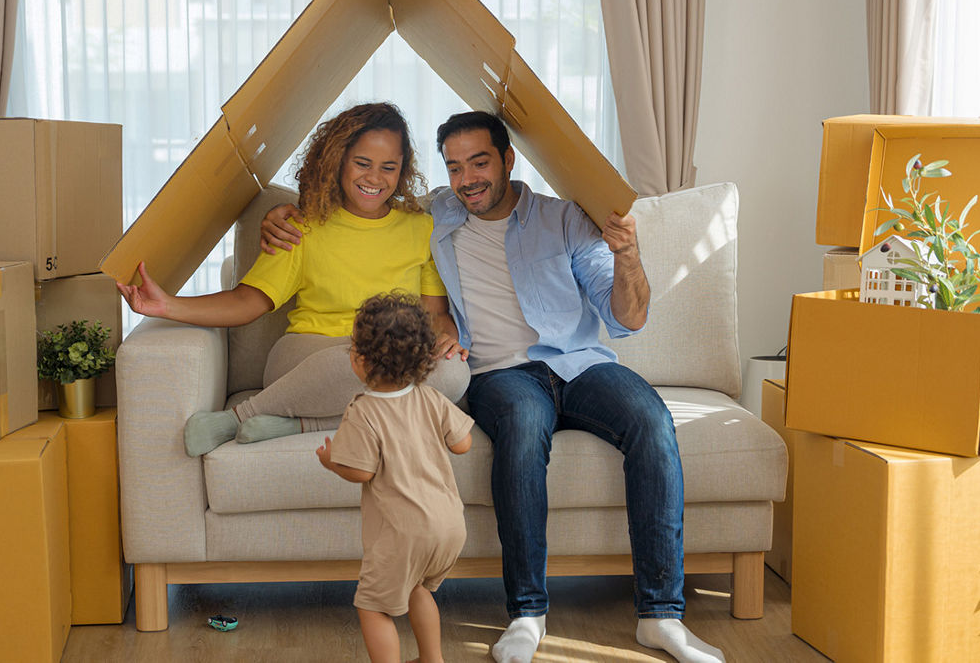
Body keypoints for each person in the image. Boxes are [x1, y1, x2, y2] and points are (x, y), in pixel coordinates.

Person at [261, 111, 724, 663]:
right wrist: (280, 211)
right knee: (524, 431)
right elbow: (365, 196)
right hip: (498, 373)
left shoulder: (565, 219)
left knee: (651, 419)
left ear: (507, 159)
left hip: (581, 365)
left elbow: (629, 317)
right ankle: (527, 614)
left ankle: (661, 616)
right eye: (455, 167)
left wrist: (627, 254)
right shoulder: (436, 214)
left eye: (479, 162)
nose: (467, 179)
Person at [118, 102, 470, 455]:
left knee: (455, 375)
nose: (374, 178)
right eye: (363, 164)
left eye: (388, 167)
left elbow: (435, 313)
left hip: (385, 360)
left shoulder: (421, 227)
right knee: (361, 362)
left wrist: (447, 341)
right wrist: (167, 305)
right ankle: (241, 417)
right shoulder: (299, 227)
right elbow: (247, 301)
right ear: (338, 161)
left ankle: (300, 424)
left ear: (402, 171)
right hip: (307, 360)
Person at [316, 292, 474, 663]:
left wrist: (331, 461)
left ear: (361, 360)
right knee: (417, 588)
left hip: (403, 533)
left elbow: (361, 471)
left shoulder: (363, 410)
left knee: (373, 607)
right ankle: (431, 659)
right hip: (449, 526)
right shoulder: (431, 398)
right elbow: (463, 444)